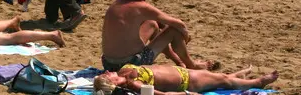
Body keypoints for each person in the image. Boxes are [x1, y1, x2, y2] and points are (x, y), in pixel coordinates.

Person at [101, 0, 218, 72]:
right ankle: (191, 65)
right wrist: (186, 36)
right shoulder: (141, 7)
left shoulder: (116, 4)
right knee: (174, 31)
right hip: (130, 65)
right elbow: (179, 24)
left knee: (152, 24)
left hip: (108, 64)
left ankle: (178, 61)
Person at [94, 64, 278, 95]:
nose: (107, 72)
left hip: (181, 72)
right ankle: (257, 82)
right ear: (114, 83)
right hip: (188, 81)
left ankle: (236, 76)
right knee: (223, 80)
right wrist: (186, 93)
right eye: (105, 75)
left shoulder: (123, 72)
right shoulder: (134, 85)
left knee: (221, 78)